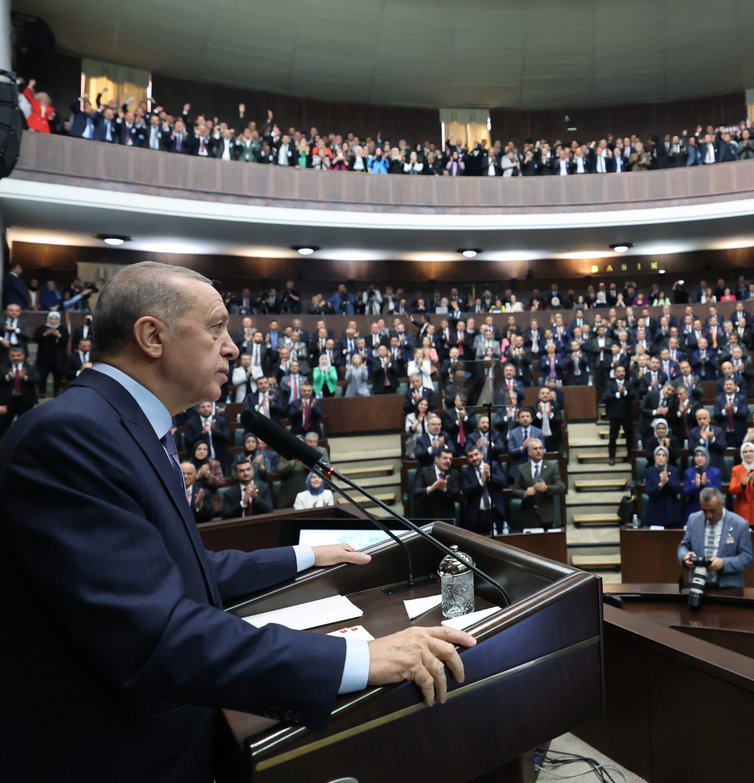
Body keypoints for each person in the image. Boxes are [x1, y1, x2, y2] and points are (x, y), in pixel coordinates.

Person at [0, 262, 474, 781]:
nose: (232, 347)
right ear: (152, 336)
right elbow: (153, 633)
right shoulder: (72, 436)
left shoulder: (127, 428)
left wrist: (305, 555)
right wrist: (358, 658)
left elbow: (177, 572)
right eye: (216, 327)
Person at [677, 487, 754, 589]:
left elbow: (747, 558)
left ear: (722, 504)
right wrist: (684, 557)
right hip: (698, 585)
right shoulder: (693, 519)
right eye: (704, 511)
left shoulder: (740, 524)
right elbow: (683, 546)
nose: (708, 515)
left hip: (728, 587)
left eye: (712, 511)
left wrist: (723, 563)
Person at [509, 438, 565, 530]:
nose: (538, 451)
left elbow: (561, 487)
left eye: (540, 448)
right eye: (535, 449)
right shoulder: (522, 468)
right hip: (528, 516)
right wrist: (525, 493)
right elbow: (515, 490)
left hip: (547, 517)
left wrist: (547, 488)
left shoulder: (551, 467)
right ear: (529, 452)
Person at [460, 445, 507, 536]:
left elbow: (503, 482)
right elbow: (466, 491)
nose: (474, 458)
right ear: (467, 459)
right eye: (470, 456)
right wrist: (481, 481)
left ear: (482, 455)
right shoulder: (466, 471)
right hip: (478, 515)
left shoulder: (493, 465)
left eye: (476, 454)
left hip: (495, 512)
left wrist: (489, 475)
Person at [411, 449, 462, 520]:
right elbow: (416, 491)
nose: (448, 461)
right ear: (436, 459)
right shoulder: (424, 471)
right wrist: (431, 488)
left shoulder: (454, 473)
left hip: (446, 513)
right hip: (427, 512)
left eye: (450, 459)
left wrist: (445, 489)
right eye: (445, 458)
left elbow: (458, 494)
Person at [642, 445, 683, 528]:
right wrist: (661, 484)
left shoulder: (674, 470)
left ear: (667, 458)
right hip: (655, 511)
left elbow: (677, 490)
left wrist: (667, 481)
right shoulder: (649, 471)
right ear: (655, 457)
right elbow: (649, 492)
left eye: (663, 455)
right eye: (658, 455)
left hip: (671, 510)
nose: (661, 457)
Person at [681, 446, 723, 518]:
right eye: (697, 456)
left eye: (702, 455)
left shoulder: (715, 472)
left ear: (707, 457)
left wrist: (706, 484)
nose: (699, 458)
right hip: (693, 508)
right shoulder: (689, 472)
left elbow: (718, 492)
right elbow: (684, 493)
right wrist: (695, 486)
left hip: (711, 508)